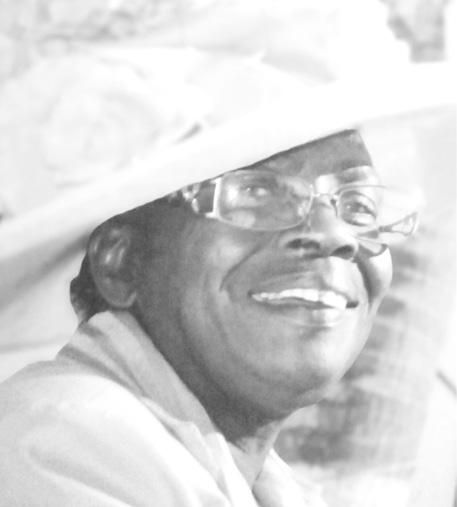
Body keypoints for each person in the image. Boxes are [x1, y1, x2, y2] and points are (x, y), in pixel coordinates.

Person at [0, 126, 419, 506]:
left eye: (360, 206)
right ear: (121, 262)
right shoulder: (68, 444)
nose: (334, 235)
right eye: (257, 194)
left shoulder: (257, 479)